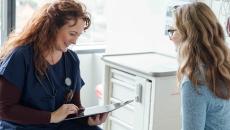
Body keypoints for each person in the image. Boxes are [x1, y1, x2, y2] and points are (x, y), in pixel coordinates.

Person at [0, 0, 108, 129]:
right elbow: (4, 109)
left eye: (78, 35)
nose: (74, 41)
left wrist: (87, 121)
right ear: (52, 28)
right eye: (72, 34)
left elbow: (74, 108)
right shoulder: (20, 56)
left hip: (58, 125)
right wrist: (51, 117)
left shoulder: (72, 60)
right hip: (23, 126)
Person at [168, 2, 230, 130]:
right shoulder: (224, 68)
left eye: (173, 31)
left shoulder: (194, 83)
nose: (171, 38)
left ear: (188, 36)